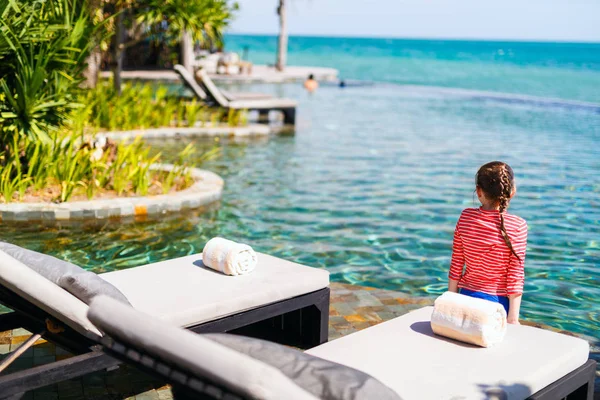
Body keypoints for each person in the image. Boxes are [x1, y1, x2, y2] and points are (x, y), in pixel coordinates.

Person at [448, 161, 528, 324]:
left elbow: (457, 262)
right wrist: (513, 318)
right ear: (512, 192)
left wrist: (451, 302)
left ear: (478, 191)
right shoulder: (518, 225)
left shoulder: (466, 217)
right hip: (496, 307)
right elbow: (515, 274)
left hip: (466, 299)